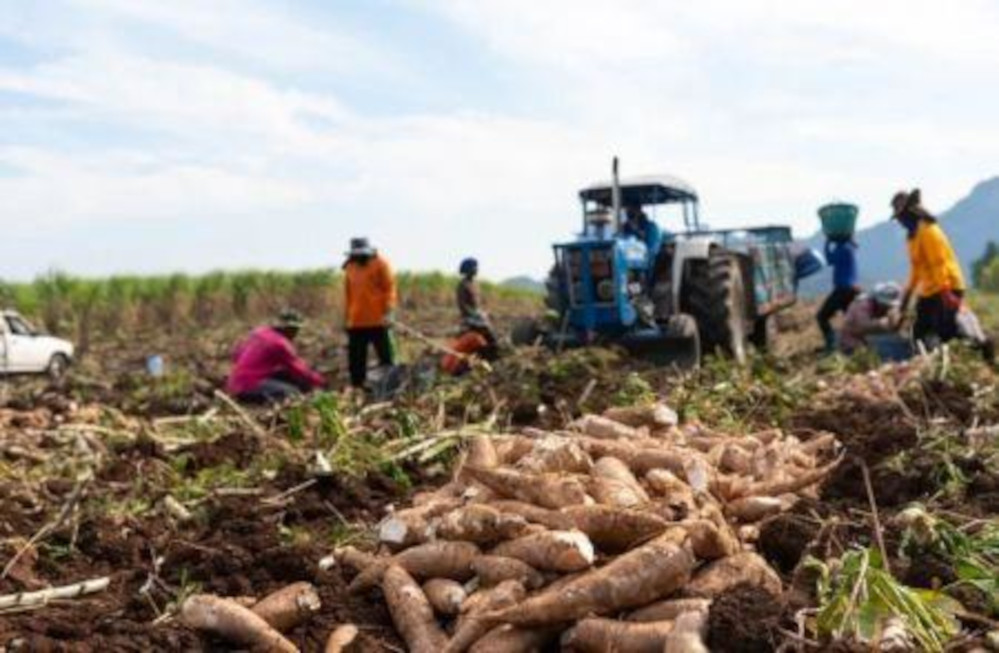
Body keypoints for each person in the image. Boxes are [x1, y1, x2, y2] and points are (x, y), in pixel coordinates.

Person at [891, 189, 967, 351]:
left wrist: (946, 293)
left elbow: (939, 264)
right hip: (930, 290)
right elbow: (916, 270)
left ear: (910, 213)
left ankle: (981, 346)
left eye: (900, 216)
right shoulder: (912, 237)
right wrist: (907, 296)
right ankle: (928, 365)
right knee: (919, 332)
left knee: (947, 332)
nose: (899, 221)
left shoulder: (928, 231)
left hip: (947, 286)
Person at [226, 310, 324, 404]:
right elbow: (299, 369)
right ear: (289, 329)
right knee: (293, 393)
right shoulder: (280, 344)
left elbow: (237, 354)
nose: (296, 334)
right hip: (247, 386)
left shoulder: (259, 332)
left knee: (286, 375)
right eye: (295, 330)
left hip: (235, 383)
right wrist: (320, 381)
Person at [343, 237, 397, 388]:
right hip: (356, 321)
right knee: (356, 360)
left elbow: (390, 289)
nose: (360, 257)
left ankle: (390, 385)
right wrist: (347, 318)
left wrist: (389, 312)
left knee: (386, 358)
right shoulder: (350, 266)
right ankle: (357, 388)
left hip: (379, 320)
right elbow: (349, 295)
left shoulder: (381, 264)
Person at [816, 237, 859, 353]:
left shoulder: (842, 248)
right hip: (851, 290)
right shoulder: (849, 247)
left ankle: (832, 345)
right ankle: (851, 345)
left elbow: (829, 260)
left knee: (821, 316)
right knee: (850, 319)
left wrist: (827, 243)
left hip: (842, 290)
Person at [840, 282, 903, 354]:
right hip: (851, 341)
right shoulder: (863, 305)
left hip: (864, 340)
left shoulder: (879, 306)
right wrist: (882, 323)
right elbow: (862, 327)